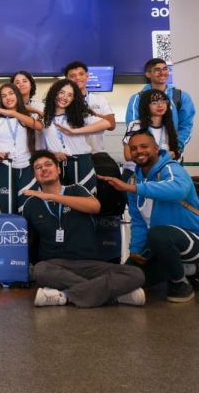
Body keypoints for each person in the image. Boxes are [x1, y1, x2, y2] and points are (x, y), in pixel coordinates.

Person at [24, 151, 145, 308]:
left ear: (58, 169)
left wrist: (52, 197)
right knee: (40, 271)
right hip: (55, 266)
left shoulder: (76, 190)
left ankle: (64, 296)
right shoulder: (31, 204)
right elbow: (28, 240)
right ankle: (113, 295)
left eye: (48, 164)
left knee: (135, 273)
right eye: (38, 167)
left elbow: (95, 206)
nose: (44, 169)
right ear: (35, 175)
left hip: (90, 264)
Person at [99, 130, 199, 303]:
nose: (139, 151)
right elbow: (138, 221)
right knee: (127, 275)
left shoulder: (171, 168)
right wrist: (136, 250)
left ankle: (180, 283)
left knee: (158, 233)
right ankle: (188, 270)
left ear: (156, 148)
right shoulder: (133, 181)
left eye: (144, 146)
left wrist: (134, 189)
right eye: (134, 148)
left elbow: (179, 190)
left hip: (192, 238)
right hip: (161, 246)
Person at [40, 79, 114, 193]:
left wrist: (75, 131)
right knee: (60, 201)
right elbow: (40, 148)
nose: (65, 97)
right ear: (54, 93)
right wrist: (53, 154)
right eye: (61, 92)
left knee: (85, 199)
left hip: (81, 164)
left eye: (70, 95)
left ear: (74, 99)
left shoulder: (80, 116)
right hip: (56, 165)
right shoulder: (44, 119)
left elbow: (107, 123)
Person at [0, 83, 43, 213]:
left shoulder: (27, 119)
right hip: (4, 168)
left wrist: (13, 112)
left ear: (18, 96)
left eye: (11, 93)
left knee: (29, 208)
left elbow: (40, 126)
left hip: (27, 167)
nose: (8, 98)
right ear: (1, 100)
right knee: (8, 209)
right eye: (3, 96)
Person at [126, 58, 195, 158]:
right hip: (146, 156)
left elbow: (186, 126)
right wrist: (148, 150)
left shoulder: (180, 96)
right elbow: (133, 125)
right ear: (148, 74)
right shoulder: (138, 98)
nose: (162, 72)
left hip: (172, 156)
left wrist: (176, 149)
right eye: (157, 70)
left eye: (165, 69)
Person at [121, 89, 179, 179]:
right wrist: (163, 156)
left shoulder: (170, 129)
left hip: (161, 175)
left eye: (163, 101)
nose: (160, 105)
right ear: (146, 106)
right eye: (154, 102)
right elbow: (128, 155)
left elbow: (174, 155)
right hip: (135, 173)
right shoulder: (135, 125)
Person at [64, 61, 116, 153]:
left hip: (97, 152)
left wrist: (92, 114)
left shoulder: (100, 99)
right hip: (73, 153)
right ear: (67, 79)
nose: (77, 78)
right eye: (72, 76)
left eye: (81, 74)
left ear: (87, 76)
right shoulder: (63, 101)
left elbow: (112, 125)